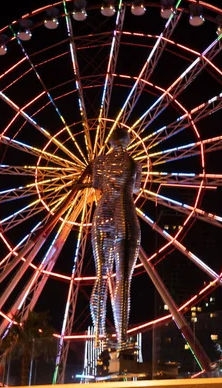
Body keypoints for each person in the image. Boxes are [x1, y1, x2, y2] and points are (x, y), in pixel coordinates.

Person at [89, 127, 142, 350]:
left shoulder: (98, 163)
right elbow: (135, 188)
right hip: (125, 215)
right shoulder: (134, 163)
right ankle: (122, 341)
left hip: (102, 215)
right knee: (123, 280)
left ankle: (98, 337)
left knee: (101, 275)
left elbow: (97, 186)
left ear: (110, 142)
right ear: (127, 142)